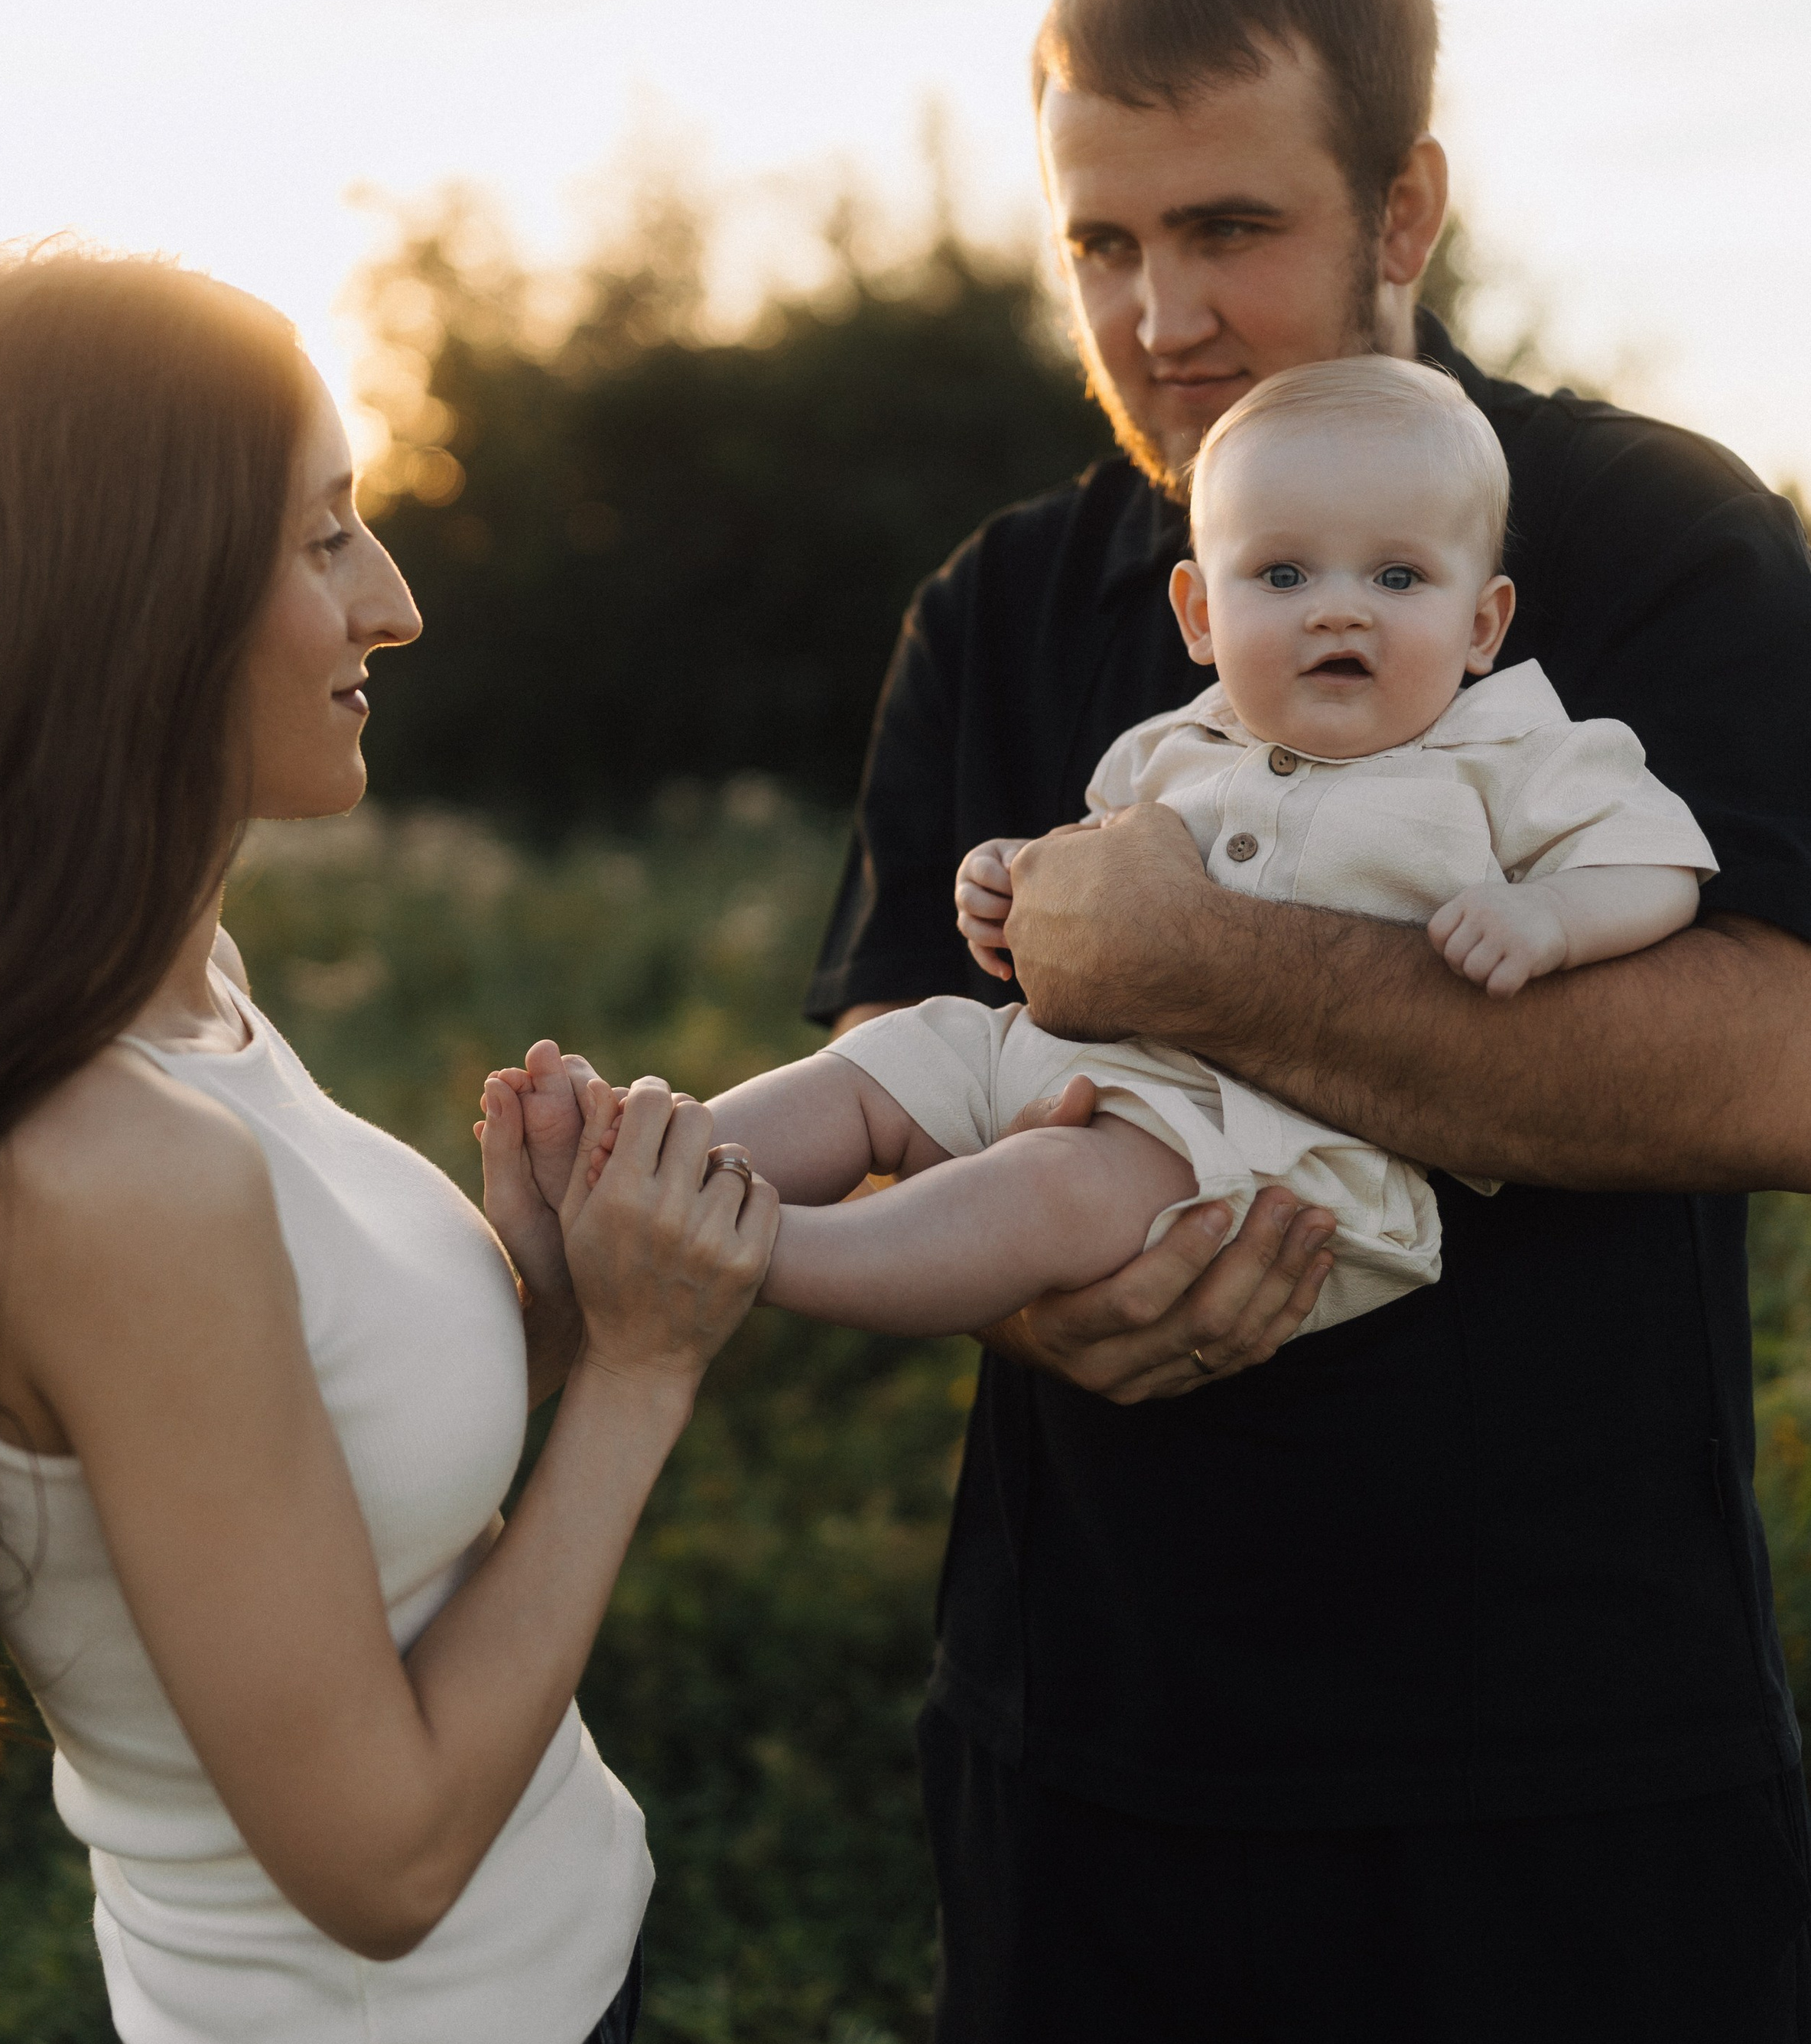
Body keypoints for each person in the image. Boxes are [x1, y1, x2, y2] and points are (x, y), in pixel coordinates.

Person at [807, 0, 1811, 2044]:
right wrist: (1040, 1300)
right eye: (1103, 242)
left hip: (1568, 1764)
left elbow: (1780, 1047)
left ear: (1405, 213)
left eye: (1231, 230)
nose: (1158, 319)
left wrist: (1186, 955)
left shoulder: (1650, 542)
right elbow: (899, 1070)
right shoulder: (1013, 602)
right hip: (1092, 1770)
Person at [0, 249, 775, 2044]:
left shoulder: (182, 1000)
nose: (396, 603)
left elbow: (321, 1490)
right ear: (128, 600)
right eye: (324, 535)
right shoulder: (106, 1164)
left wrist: (532, 1296)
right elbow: (376, 1864)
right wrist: (636, 1373)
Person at [629, 356, 1712, 1344]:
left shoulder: (1515, 752)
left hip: (1260, 1153)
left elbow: (1660, 864)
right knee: (890, 1057)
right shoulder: (1173, 745)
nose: (1340, 613)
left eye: (1396, 579)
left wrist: (1552, 919)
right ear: (1199, 614)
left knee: (1050, 1185)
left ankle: (754, 1248)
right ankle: (652, 1166)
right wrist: (1009, 878)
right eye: (1283, 577)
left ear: (1483, 626)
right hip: (1073, 1066)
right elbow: (1094, 876)